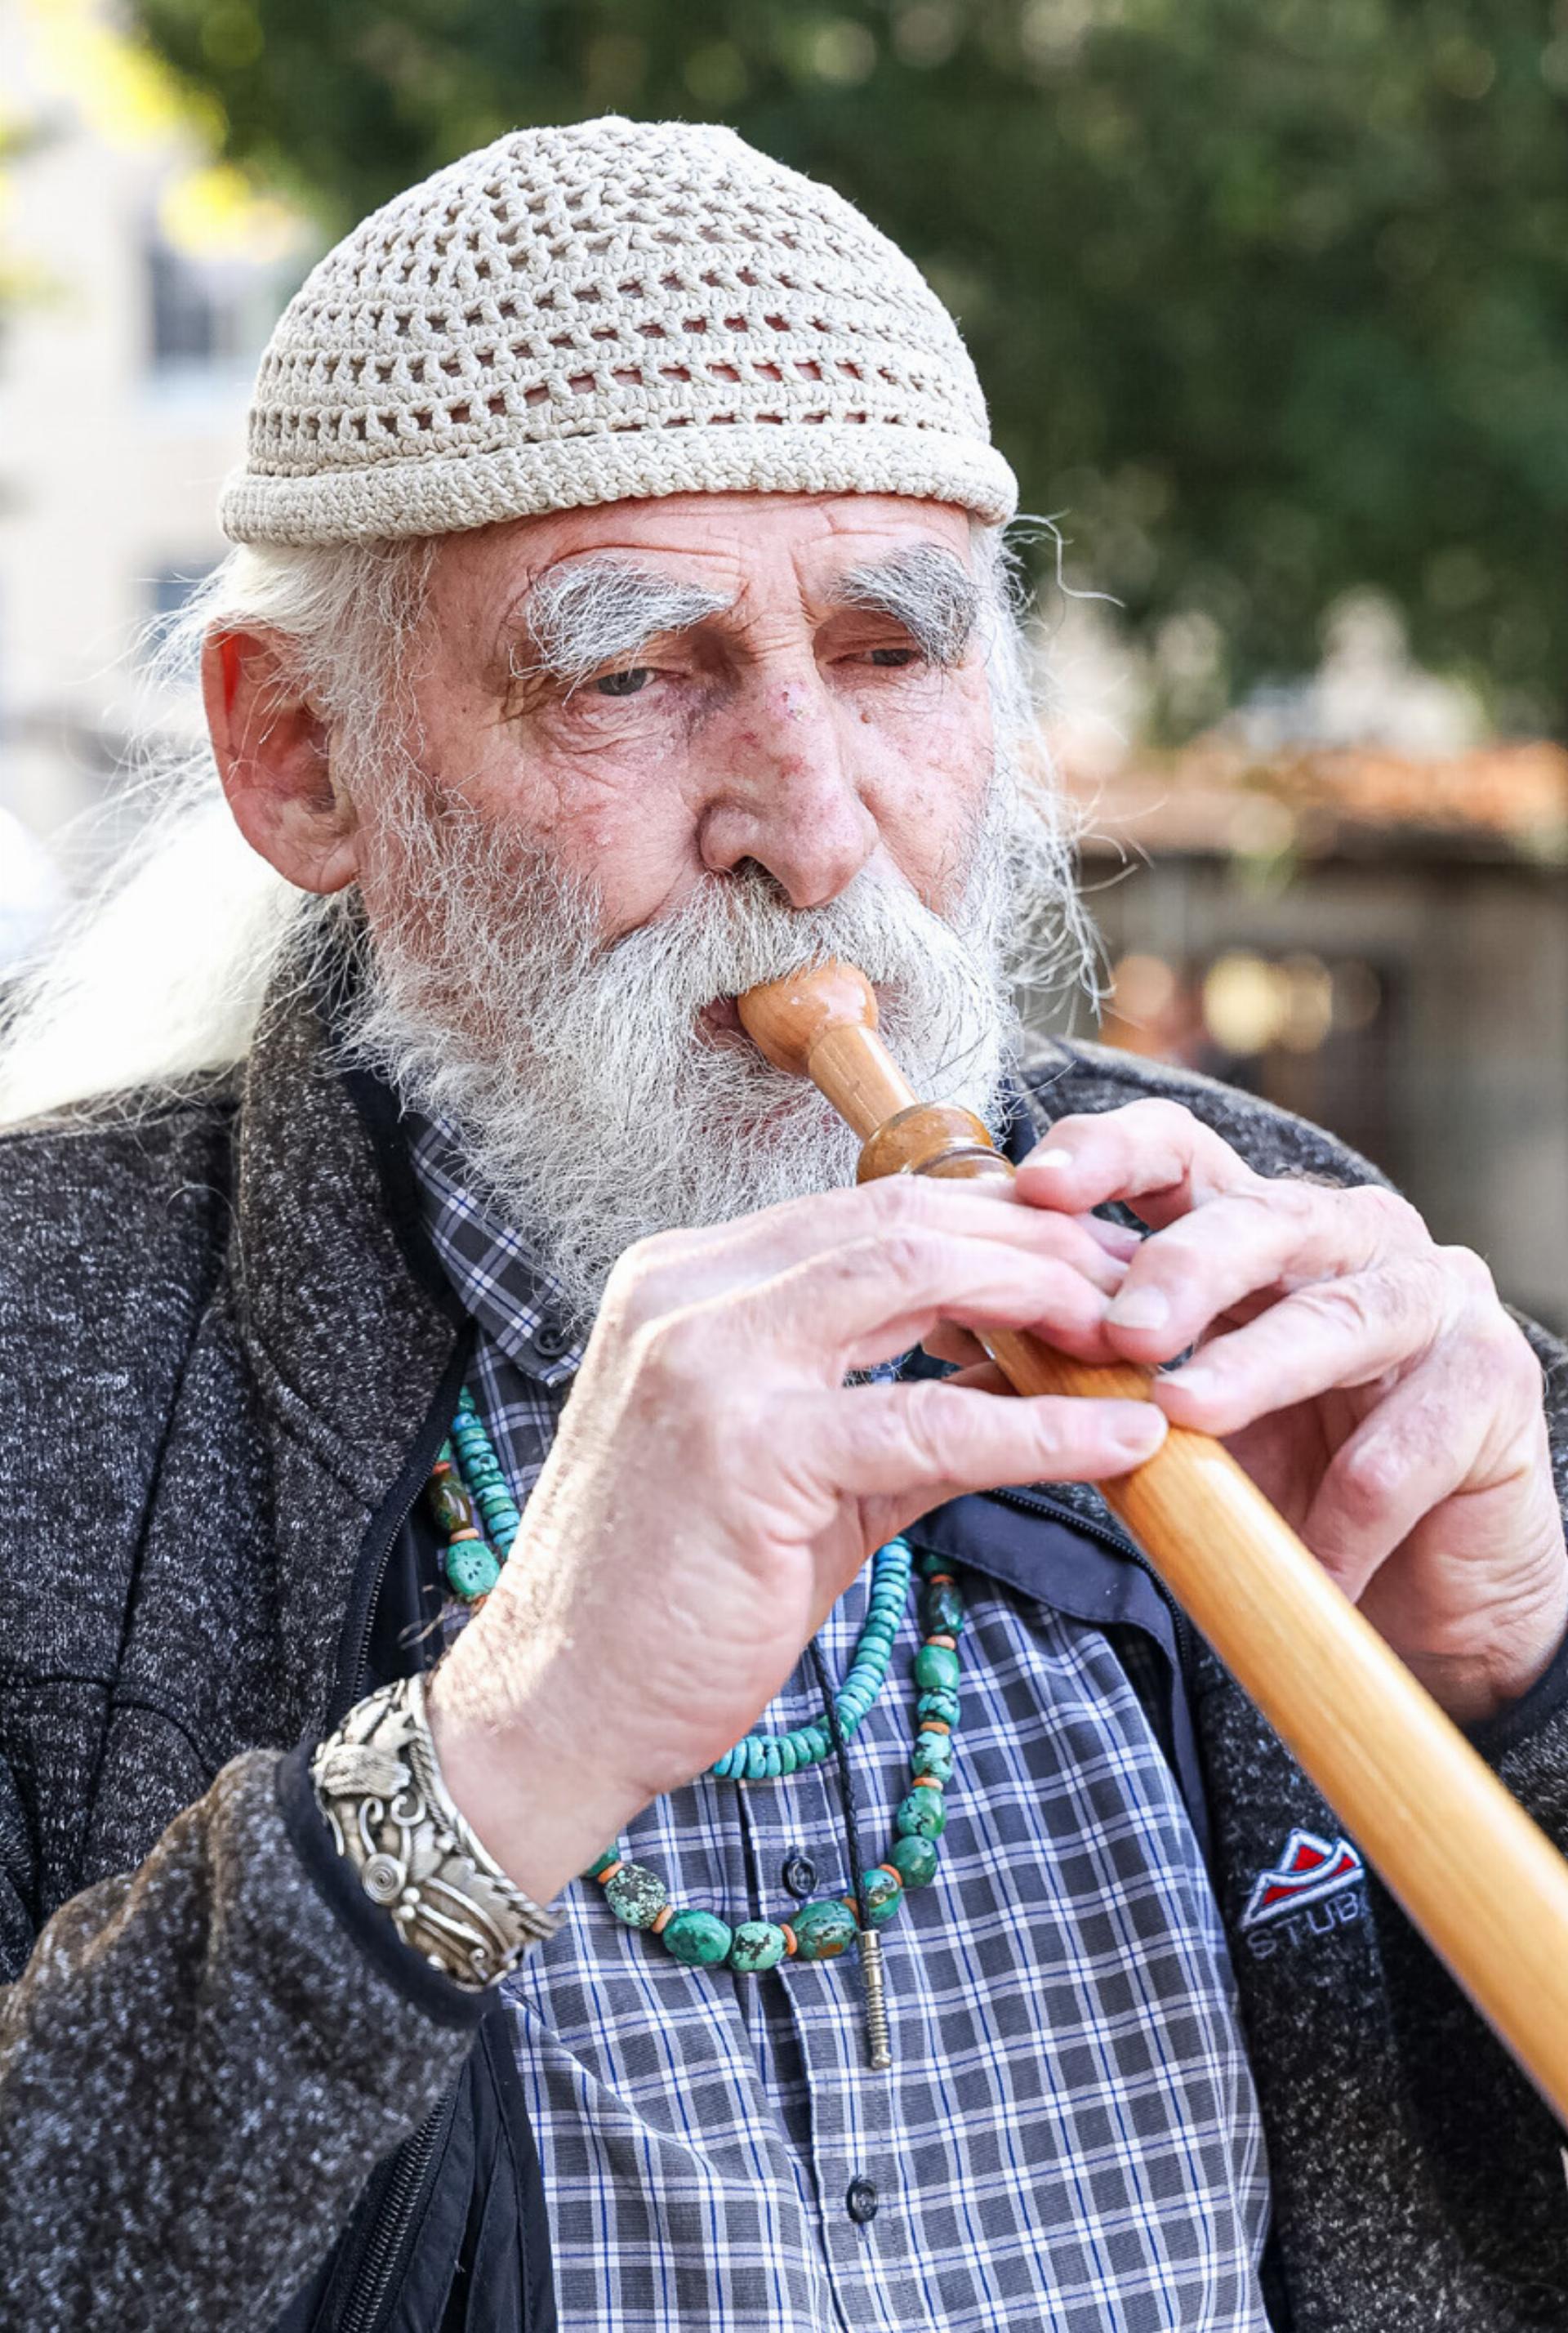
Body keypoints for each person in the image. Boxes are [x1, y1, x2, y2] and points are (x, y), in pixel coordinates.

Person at [1, 116, 1565, 2333]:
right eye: (633, 671)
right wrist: (499, 1754)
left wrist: (1519, 1691)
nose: (815, 829)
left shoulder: (1276, 1245)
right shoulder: (32, 1352)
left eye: (892, 651)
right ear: (303, 762)